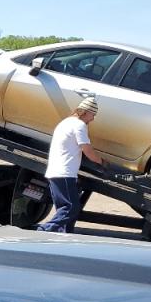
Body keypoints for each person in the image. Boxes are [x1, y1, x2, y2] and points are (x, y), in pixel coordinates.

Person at [36, 96, 103, 233]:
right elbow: (87, 150)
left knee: (63, 209)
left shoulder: (65, 122)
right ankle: (45, 230)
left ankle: (66, 236)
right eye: (93, 115)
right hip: (64, 173)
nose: (93, 119)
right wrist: (101, 162)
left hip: (54, 172)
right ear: (86, 112)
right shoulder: (79, 125)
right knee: (71, 207)